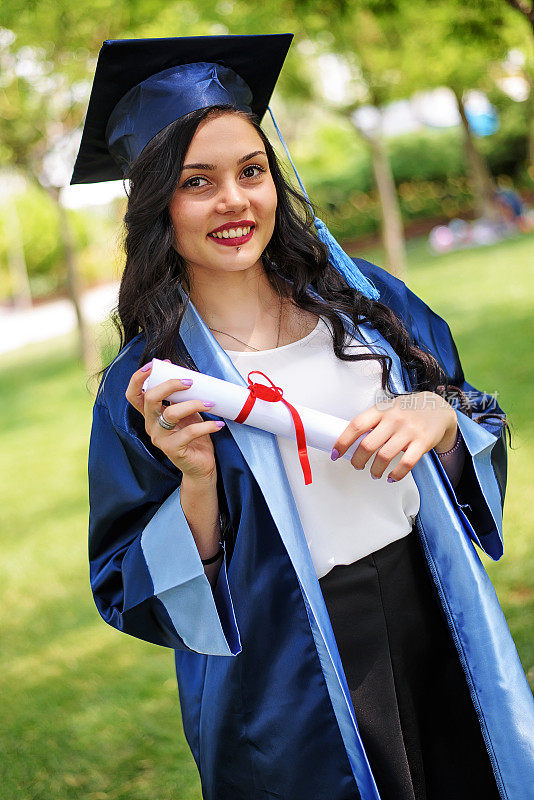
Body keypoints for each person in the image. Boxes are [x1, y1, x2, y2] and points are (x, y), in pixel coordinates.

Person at [77, 34, 534, 800]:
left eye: (251, 171)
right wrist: (194, 480)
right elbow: (129, 583)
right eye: (198, 182)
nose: (235, 200)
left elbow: (464, 407)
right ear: (158, 204)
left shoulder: (362, 303)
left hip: (432, 613)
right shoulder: (149, 386)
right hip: (290, 670)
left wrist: (438, 419)